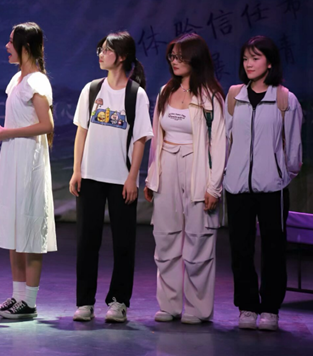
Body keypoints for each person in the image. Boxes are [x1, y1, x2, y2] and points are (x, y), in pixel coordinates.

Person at [69, 31, 152, 323]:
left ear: (122, 56)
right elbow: (82, 131)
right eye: (100, 49)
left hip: (121, 179)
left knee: (123, 243)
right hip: (90, 176)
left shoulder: (136, 94)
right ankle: (85, 302)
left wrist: (132, 177)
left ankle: (118, 301)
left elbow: (140, 139)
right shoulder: (92, 89)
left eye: (107, 50)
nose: (101, 54)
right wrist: (77, 170)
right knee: (87, 241)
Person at [145, 33, 225, 324]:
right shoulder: (166, 91)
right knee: (165, 238)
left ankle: (197, 309)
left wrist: (213, 186)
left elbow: (219, 144)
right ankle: (169, 305)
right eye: (173, 56)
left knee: (198, 239)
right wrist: (151, 177)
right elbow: (157, 137)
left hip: (196, 168)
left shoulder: (210, 96)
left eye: (181, 56)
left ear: (195, 58)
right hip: (167, 165)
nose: (175, 61)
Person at [223, 36, 303, 331]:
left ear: (270, 63)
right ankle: (246, 306)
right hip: (237, 187)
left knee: (273, 249)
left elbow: (294, 149)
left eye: (255, 58)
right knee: (240, 248)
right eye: (246, 58)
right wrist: (228, 173)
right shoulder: (235, 96)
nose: (249, 64)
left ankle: (270, 308)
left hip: (273, 188)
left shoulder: (285, 99)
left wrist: (280, 175)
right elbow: (225, 140)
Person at [0, 22, 56, 320]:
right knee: (15, 227)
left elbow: (46, 125)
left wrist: (9, 132)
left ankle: (29, 301)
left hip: (29, 160)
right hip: (13, 156)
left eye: (11, 41)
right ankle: (17, 296)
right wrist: (5, 132)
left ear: (25, 47)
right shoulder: (17, 79)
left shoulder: (37, 81)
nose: (6, 46)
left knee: (29, 227)